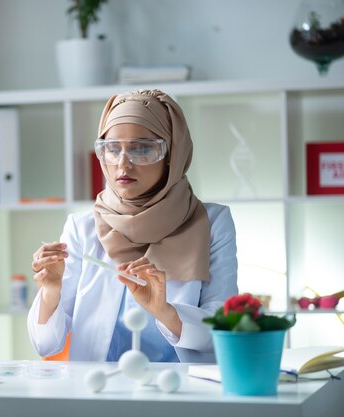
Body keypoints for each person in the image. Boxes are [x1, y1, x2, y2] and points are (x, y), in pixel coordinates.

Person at [27, 89, 238, 363]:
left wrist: (164, 311)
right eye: (112, 149)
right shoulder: (82, 227)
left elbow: (223, 328)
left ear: (172, 154)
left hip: (182, 391)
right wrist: (51, 291)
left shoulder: (212, 222)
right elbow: (45, 345)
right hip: (98, 389)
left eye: (142, 149)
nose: (123, 163)